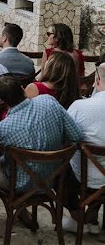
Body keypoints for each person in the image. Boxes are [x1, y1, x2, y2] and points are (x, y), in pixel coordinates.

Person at [0, 74, 82, 197]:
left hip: (20, 184)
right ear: (23, 89)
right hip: (54, 176)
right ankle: (23, 214)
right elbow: (76, 135)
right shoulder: (48, 101)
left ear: (2, 100)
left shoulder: (2, 128)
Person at [64, 62, 105, 235]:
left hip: (79, 178)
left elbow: (64, 137)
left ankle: (77, 215)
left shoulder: (79, 106)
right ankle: (92, 215)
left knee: (56, 164)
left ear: (96, 80)